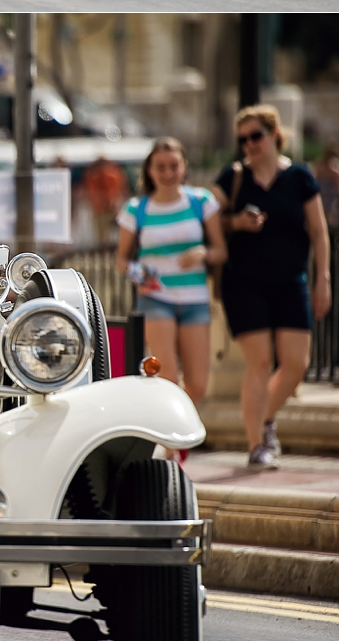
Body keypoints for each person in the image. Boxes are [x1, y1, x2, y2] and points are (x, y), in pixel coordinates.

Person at [212, 105, 332, 468]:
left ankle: (265, 420)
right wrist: (235, 222)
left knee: (296, 364)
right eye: (243, 139)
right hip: (244, 282)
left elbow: (319, 231)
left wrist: (323, 277)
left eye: (256, 136)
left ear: (275, 136)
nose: (249, 144)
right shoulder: (232, 178)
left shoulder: (299, 177)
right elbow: (207, 216)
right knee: (260, 363)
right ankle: (255, 446)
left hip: (291, 279)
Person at [115, 139, 227, 452]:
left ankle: (172, 437)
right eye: (160, 167)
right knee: (167, 376)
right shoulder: (136, 209)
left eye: (174, 165)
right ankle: (168, 444)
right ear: (150, 171)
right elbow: (121, 260)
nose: (168, 172)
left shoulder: (201, 201)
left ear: (184, 166)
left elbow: (221, 250)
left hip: (194, 300)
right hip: (156, 299)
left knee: (198, 384)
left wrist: (203, 252)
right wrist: (139, 275)